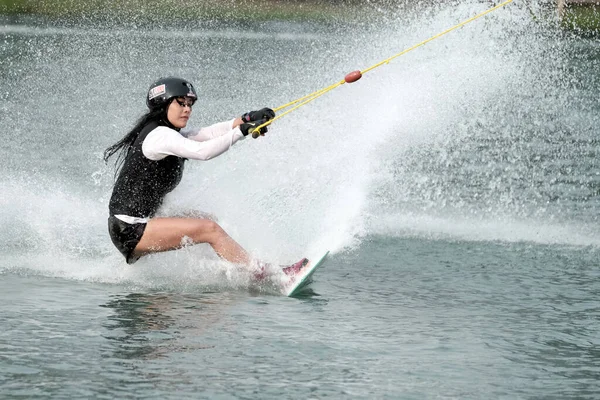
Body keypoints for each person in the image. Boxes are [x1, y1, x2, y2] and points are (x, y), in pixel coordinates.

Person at [104, 77, 307, 280]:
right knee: (209, 230)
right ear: (163, 104)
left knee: (209, 221)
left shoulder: (171, 133)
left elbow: (208, 133)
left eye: (190, 104)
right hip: (130, 230)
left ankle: (229, 269)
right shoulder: (160, 137)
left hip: (144, 221)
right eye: (180, 103)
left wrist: (246, 118)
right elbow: (203, 152)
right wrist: (241, 132)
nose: (187, 109)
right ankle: (269, 275)